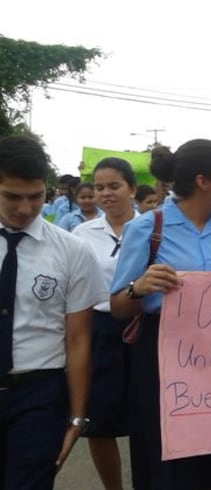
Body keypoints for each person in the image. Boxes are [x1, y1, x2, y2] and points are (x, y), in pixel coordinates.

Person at [109, 139, 211, 489]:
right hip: (162, 358)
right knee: (165, 461)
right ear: (204, 181)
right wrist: (138, 288)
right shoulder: (148, 228)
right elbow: (117, 308)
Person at [0, 135, 105, 488]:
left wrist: (76, 418)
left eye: (35, 196)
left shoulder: (73, 252)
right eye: (12, 197)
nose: (25, 208)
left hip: (39, 394)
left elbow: (78, 340)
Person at [72, 157, 139, 490]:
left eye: (114, 186)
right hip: (99, 329)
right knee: (98, 423)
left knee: (147, 419)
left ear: (131, 189)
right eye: (99, 187)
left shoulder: (152, 228)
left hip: (142, 329)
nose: (106, 194)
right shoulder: (81, 234)